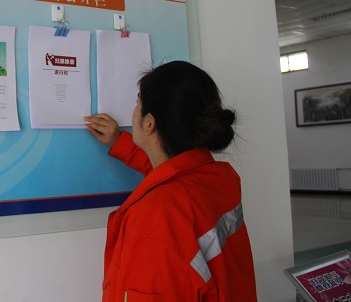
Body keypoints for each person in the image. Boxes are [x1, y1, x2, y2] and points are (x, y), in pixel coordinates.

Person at [84, 61, 257, 301]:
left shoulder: (155, 216)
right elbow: (173, 174)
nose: (133, 110)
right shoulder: (220, 179)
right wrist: (121, 144)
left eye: (137, 103)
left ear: (149, 123)